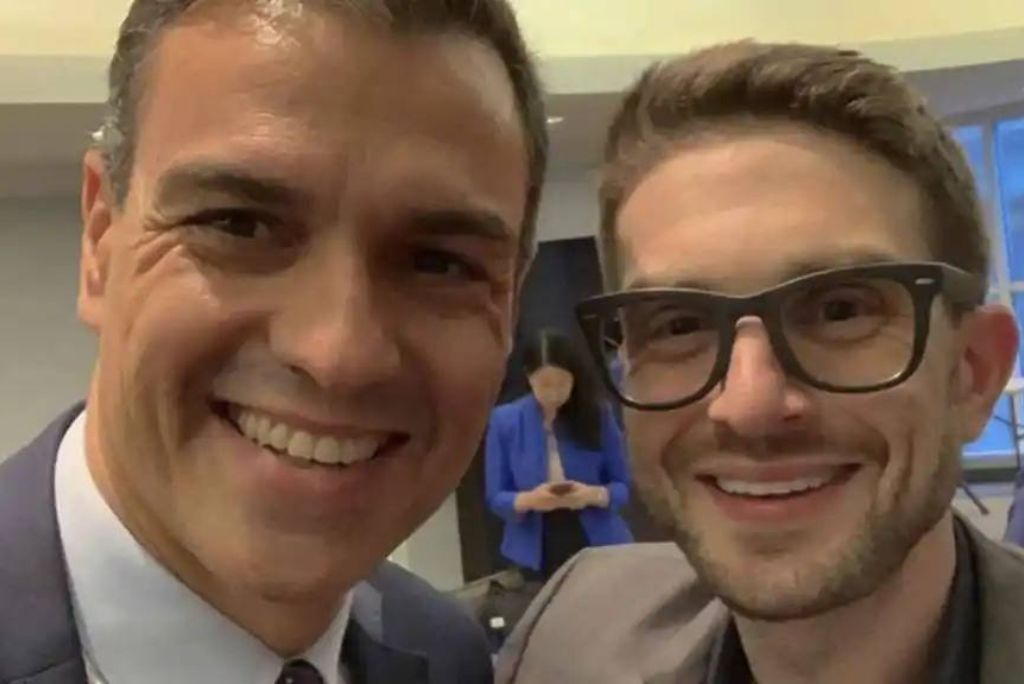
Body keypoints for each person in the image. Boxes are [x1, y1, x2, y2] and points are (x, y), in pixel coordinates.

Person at [0, 1, 549, 682]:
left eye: (438, 262)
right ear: (100, 243)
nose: (338, 354)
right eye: (239, 224)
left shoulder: (444, 654)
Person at [497, 41, 1024, 684]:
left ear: (972, 372)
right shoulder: (568, 640)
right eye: (680, 323)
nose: (749, 406)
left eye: (839, 310)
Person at [485, 329, 633, 580]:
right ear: (528, 378)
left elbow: (623, 486)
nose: (553, 393)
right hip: (535, 542)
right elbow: (496, 497)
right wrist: (530, 500)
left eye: (563, 384)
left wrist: (594, 494)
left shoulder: (597, 414)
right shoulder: (504, 421)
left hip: (597, 536)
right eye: (544, 385)